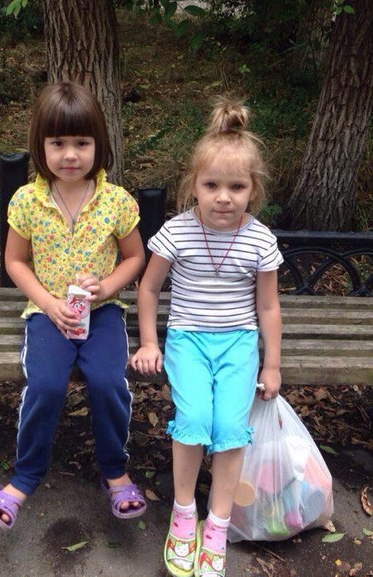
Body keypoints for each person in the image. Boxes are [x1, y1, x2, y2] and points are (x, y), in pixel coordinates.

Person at [0, 81, 147, 530]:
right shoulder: (27, 201)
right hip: (47, 314)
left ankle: (115, 472)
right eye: (58, 143)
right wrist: (48, 303)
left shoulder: (116, 201)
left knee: (108, 382)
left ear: (99, 145)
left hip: (103, 313)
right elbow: (15, 261)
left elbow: (135, 257)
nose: (70, 155)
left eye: (82, 143)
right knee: (47, 385)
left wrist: (106, 287)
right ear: (41, 145)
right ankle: (24, 478)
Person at [130, 98, 283, 577]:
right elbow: (149, 289)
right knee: (194, 418)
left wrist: (271, 363)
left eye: (237, 187)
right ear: (193, 184)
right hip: (188, 341)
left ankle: (216, 524)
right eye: (211, 185)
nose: (223, 197)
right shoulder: (176, 233)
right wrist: (150, 342)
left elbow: (268, 306)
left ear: (253, 190)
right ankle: (183, 514)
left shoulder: (259, 240)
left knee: (230, 429)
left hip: (238, 343)